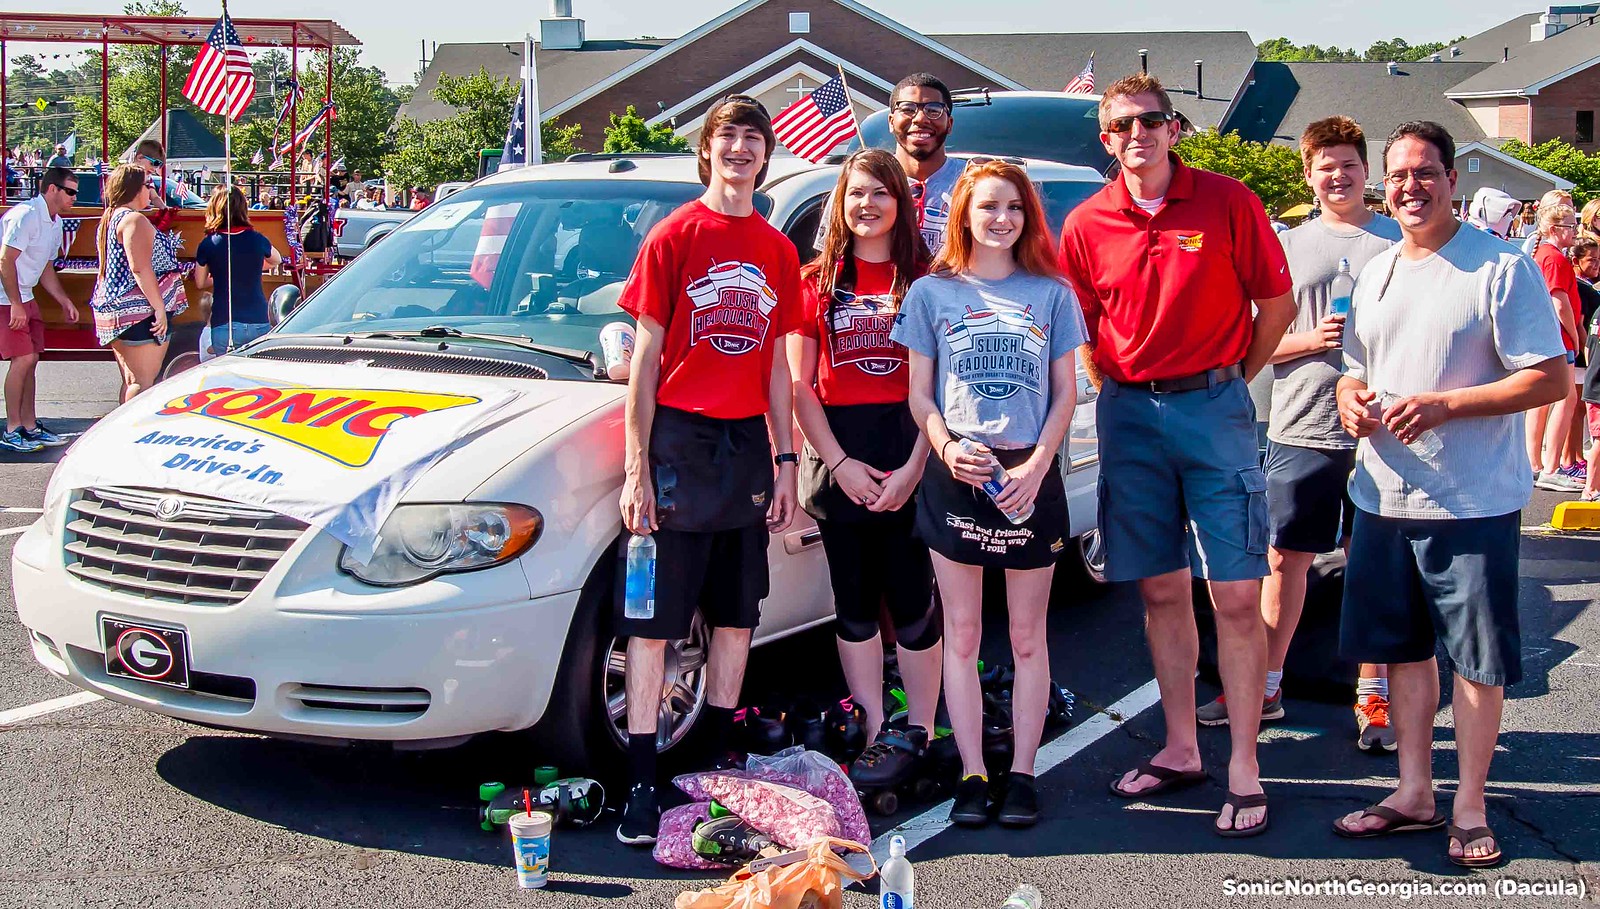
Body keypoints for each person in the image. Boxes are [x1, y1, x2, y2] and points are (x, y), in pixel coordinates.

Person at [1057, 73, 1296, 837]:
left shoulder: (1229, 201)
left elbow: (1277, 305)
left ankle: (1245, 766)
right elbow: (1082, 326)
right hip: (1129, 414)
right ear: (1106, 138)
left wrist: (1229, 383)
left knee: (1233, 592)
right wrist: (1123, 388)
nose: (1139, 135)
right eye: (1123, 125)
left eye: (1152, 121)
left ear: (1174, 128)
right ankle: (1183, 745)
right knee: (1160, 591)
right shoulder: (1089, 222)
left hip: (1216, 407)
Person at [1331, 120, 1567, 869]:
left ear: (1452, 179)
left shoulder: (1500, 266)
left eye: (1424, 172)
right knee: (1402, 655)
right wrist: (1347, 398)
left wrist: (1443, 406)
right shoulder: (1377, 271)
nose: (1409, 186)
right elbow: (1353, 365)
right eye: (1397, 175)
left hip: (1471, 503)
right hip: (1381, 496)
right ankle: (1412, 791)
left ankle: (1468, 802)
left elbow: (1551, 377)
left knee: (1475, 660)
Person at [613, 95, 800, 847]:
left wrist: (786, 458)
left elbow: (780, 372)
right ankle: (641, 777)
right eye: (729, 136)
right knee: (652, 625)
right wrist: (636, 466)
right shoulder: (673, 236)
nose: (742, 149)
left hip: (746, 450)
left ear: (766, 154)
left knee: (736, 614)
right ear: (707, 149)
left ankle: (720, 753)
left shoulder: (777, 249)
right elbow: (645, 360)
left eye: (755, 138)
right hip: (678, 448)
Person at [1193, 117, 1401, 752]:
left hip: (1386, 428)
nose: (1338, 176)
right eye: (1325, 166)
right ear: (1307, 176)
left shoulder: (1401, 240)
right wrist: (1308, 341)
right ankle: (1265, 684)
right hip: (1301, 423)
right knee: (1286, 559)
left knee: (1378, 563)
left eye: (1349, 164)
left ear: (1367, 172)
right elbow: (1248, 337)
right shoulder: (1286, 243)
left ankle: (1375, 696)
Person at [892, 160, 1083, 829]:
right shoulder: (931, 294)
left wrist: (1037, 464)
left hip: (1028, 475)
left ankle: (1024, 771)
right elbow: (919, 394)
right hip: (959, 477)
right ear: (963, 215)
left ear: (1028, 216)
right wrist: (944, 448)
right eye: (987, 207)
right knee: (963, 635)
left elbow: (1068, 391)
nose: (1001, 219)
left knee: (1029, 638)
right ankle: (973, 771)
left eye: (1013, 207)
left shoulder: (1053, 292)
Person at [789, 149, 942, 788]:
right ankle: (877, 733)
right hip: (838, 455)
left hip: (913, 447)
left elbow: (948, 384)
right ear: (840, 204)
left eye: (881, 193)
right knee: (852, 602)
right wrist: (842, 464)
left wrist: (912, 469)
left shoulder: (928, 278)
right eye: (856, 194)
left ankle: (923, 732)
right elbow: (800, 387)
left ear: (901, 205)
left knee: (913, 602)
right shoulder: (814, 281)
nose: (868, 205)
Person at [91, 164, 186, 403]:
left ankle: (118, 432)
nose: (152, 191)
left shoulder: (112, 217)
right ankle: (127, 435)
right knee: (142, 384)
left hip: (118, 310)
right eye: (148, 185)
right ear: (134, 188)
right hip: (138, 312)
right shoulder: (134, 220)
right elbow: (140, 268)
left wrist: (153, 196)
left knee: (131, 381)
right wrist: (159, 308)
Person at [0, 166, 79, 453]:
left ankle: (30, 425)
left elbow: (45, 266)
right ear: (52, 189)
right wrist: (16, 305)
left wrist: (63, 299)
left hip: (25, 295)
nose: (74, 198)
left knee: (31, 359)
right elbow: (5, 261)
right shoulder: (26, 215)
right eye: (70, 192)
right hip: (7, 299)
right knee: (22, 359)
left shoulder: (55, 222)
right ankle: (12, 429)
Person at [1526, 203, 1586, 492]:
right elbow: (1558, 299)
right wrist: (1575, 334)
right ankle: (1549, 466)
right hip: (1560, 338)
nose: (1573, 232)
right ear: (1554, 229)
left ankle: (1540, 464)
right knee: (1566, 399)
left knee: (1554, 402)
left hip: (1554, 337)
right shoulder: (1553, 259)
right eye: (1569, 227)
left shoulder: (1548, 255)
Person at [192, 185, 281, 361]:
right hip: (258, 318)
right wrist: (252, 266)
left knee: (227, 380)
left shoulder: (208, 243)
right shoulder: (257, 239)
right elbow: (276, 260)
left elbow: (200, 283)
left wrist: (222, 273)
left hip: (225, 321)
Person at [1522, 189, 1573, 255]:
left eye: (1571, 208)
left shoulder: (1574, 240)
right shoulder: (1533, 242)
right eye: (1563, 208)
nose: (1570, 212)